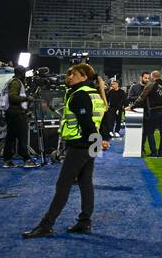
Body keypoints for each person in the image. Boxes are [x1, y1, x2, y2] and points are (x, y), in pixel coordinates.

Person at [22, 63, 109, 237]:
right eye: (69, 74)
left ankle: (47, 224)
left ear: (83, 77)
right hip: (89, 143)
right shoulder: (95, 94)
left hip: (80, 144)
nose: (69, 77)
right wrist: (100, 140)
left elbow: (86, 123)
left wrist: (97, 141)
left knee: (63, 184)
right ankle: (84, 222)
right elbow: (101, 120)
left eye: (73, 74)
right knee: (86, 183)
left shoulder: (79, 95)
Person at [136, 70, 162, 157]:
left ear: (152, 76)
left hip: (155, 110)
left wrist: (132, 106)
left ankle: (154, 152)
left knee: (150, 131)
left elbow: (142, 97)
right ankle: (160, 153)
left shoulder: (151, 85)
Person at [0, 66, 29, 167]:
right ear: (22, 73)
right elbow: (12, 97)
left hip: (11, 113)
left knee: (10, 137)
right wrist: (27, 98)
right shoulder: (16, 82)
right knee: (22, 137)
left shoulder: (10, 81)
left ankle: (7, 160)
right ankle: (26, 159)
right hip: (17, 114)